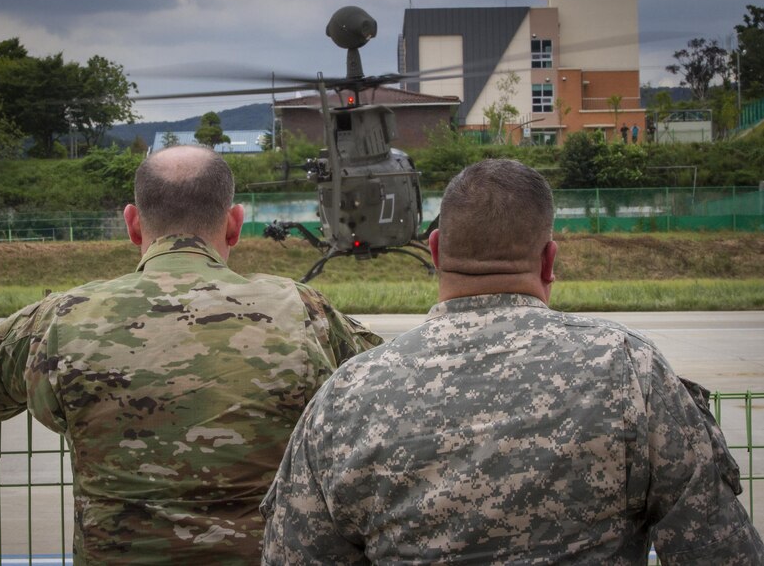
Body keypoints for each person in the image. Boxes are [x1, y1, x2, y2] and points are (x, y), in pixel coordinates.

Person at [261, 159, 764, 565]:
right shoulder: (631, 371)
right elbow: (718, 549)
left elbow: (295, 553)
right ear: (549, 260)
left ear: (435, 251)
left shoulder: (347, 394)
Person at [0, 145, 381, 565]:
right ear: (235, 224)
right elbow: (382, 389)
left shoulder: (65, 317)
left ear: (132, 224)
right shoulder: (304, 310)